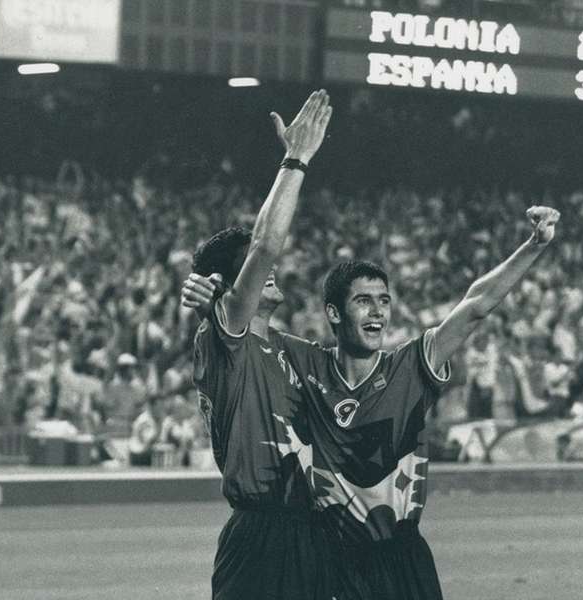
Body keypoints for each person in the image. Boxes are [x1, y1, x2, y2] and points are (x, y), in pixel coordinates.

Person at [185, 205, 560, 599]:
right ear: (333, 312)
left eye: (383, 301)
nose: (377, 310)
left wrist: (534, 246)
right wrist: (214, 305)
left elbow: (476, 305)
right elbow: (240, 330)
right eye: (363, 301)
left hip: (400, 553)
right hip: (332, 558)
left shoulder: (411, 366)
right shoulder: (302, 361)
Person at [184, 90, 334, 600]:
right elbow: (267, 244)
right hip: (259, 532)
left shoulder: (294, 351)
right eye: (250, 268)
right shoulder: (226, 337)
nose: (269, 270)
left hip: (310, 528)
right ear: (230, 287)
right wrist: (295, 160)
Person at [128, 394, 162, 466]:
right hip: (139, 454)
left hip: (144, 453)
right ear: (152, 406)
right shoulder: (144, 420)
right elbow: (147, 440)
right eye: (158, 406)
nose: (160, 408)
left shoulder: (152, 418)